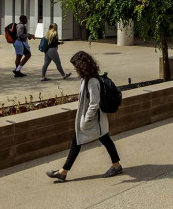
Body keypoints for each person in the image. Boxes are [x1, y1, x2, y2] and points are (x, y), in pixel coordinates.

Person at [46, 50, 123, 182]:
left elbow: (94, 103)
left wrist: (86, 120)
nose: (75, 69)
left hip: (92, 120)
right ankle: (116, 166)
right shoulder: (86, 79)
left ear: (82, 66)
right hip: (93, 120)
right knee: (104, 140)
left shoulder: (92, 81)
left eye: (76, 66)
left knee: (79, 142)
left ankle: (63, 172)